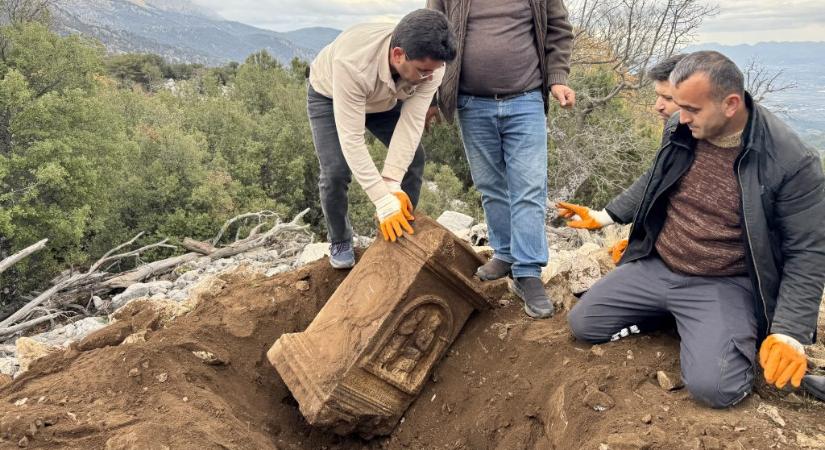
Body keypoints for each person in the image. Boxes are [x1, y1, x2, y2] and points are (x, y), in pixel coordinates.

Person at [564, 51, 825, 408]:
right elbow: (656, 179)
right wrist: (606, 216)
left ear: (730, 104)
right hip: (660, 263)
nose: (679, 117)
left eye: (691, 109)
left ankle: (721, 333)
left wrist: (789, 333)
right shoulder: (682, 128)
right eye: (678, 105)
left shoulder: (792, 162)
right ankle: (678, 318)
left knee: (716, 389)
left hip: (724, 282)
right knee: (584, 325)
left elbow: (807, 253)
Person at [427, 0, 575, 319]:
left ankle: (528, 272)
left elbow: (559, 30)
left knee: (529, 188)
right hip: (471, 103)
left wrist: (559, 76)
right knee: (490, 185)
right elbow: (433, 33)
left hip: (526, 100)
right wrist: (431, 96)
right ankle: (505, 252)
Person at [307, 9, 457, 268]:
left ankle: (400, 231)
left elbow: (411, 125)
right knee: (335, 172)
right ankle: (340, 240)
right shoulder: (352, 61)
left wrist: (391, 185)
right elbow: (352, 139)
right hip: (331, 95)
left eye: (434, 70)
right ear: (398, 55)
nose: (429, 77)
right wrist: (381, 200)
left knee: (413, 159)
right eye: (423, 71)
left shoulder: (433, 67)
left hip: (385, 98)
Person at [559, 53, 686, 263]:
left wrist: (648, 244)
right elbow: (655, 176)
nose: (658, 106)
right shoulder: (677, 130)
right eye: (658, 96)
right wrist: (602, 217)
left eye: (669, 99)